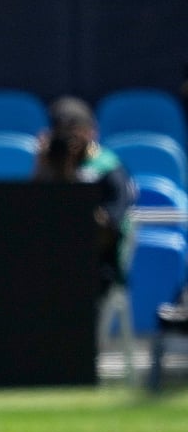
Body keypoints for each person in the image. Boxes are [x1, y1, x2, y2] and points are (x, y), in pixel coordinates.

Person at [32, 96, 136, 300]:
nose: (71, 140)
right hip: (51, 259)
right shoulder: (50, 167)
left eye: (75, 131)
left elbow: (109, 229)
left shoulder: (109, 169)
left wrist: (75, 185)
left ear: (91, 131)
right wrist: (43, 169)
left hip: (95, 265)